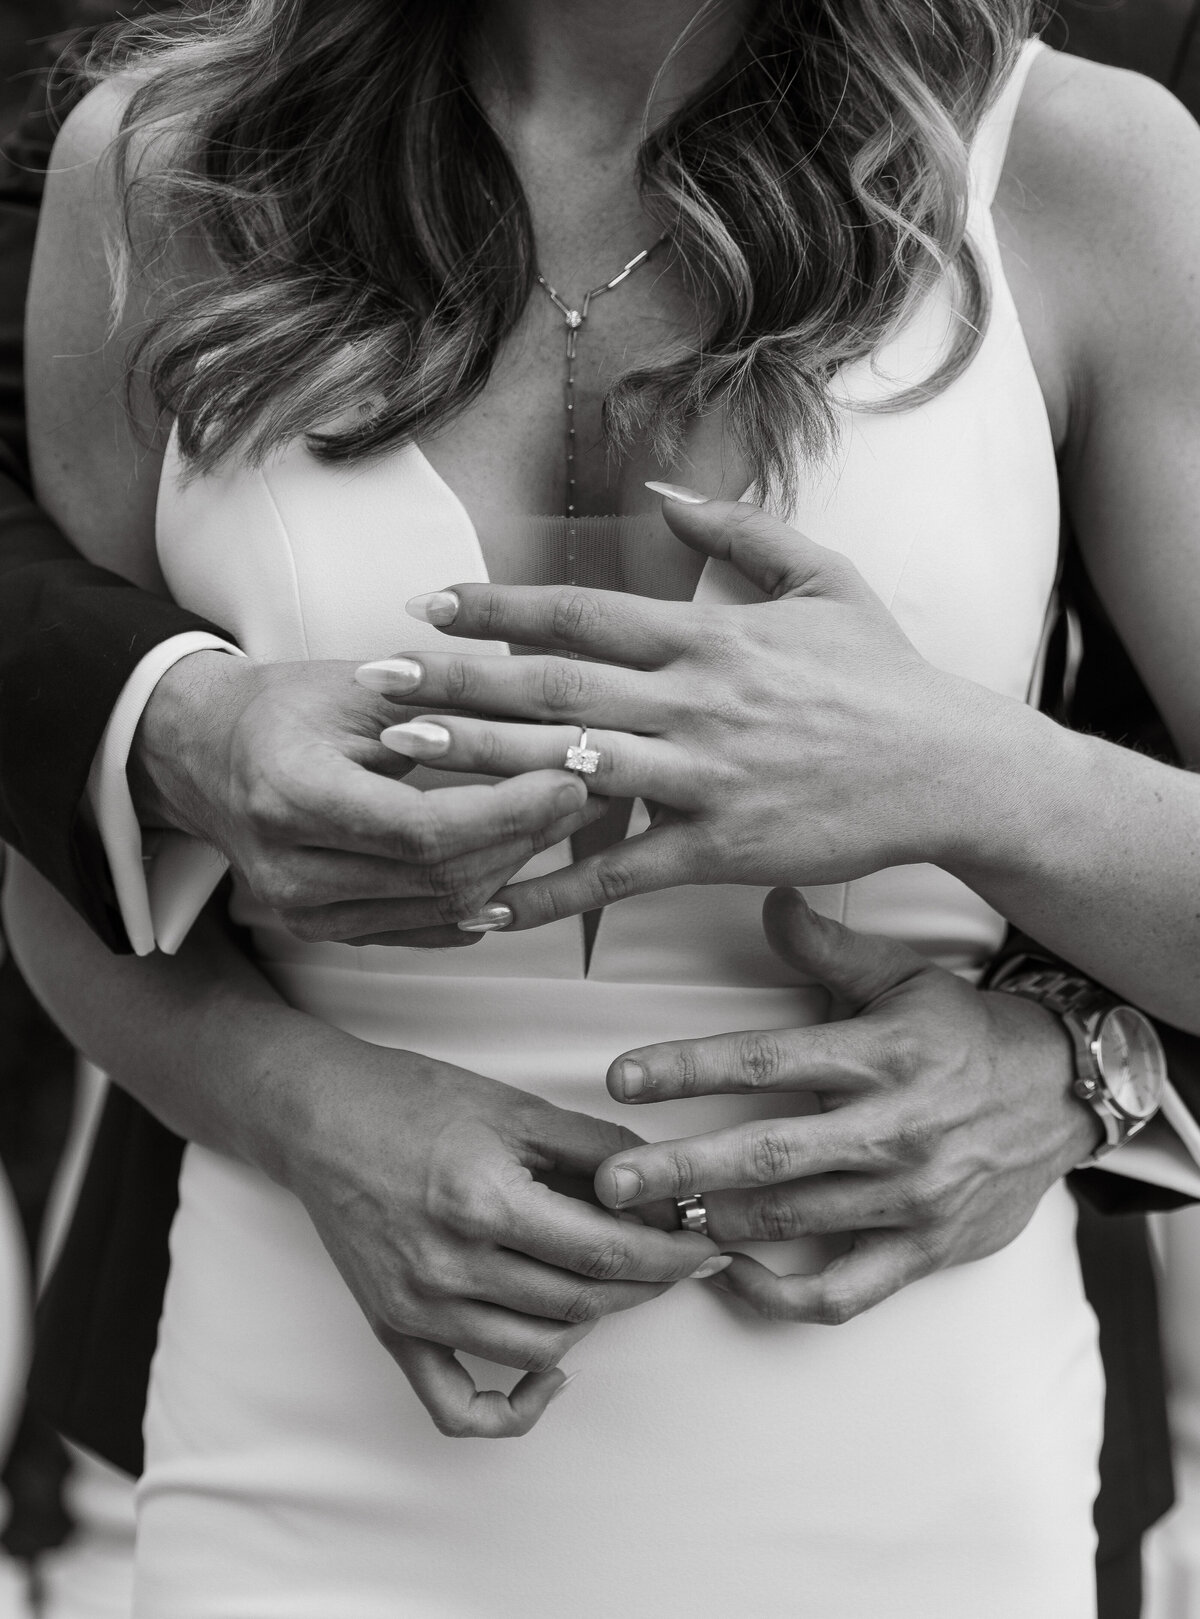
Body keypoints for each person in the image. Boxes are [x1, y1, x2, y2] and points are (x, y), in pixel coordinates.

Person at [6, 1, 1200, 1613]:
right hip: (303, 1413)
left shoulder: (1082, 165)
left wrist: (975, 772)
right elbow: (59, 852)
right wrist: (293, 1105)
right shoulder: (162, 169)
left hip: (897, 1442)